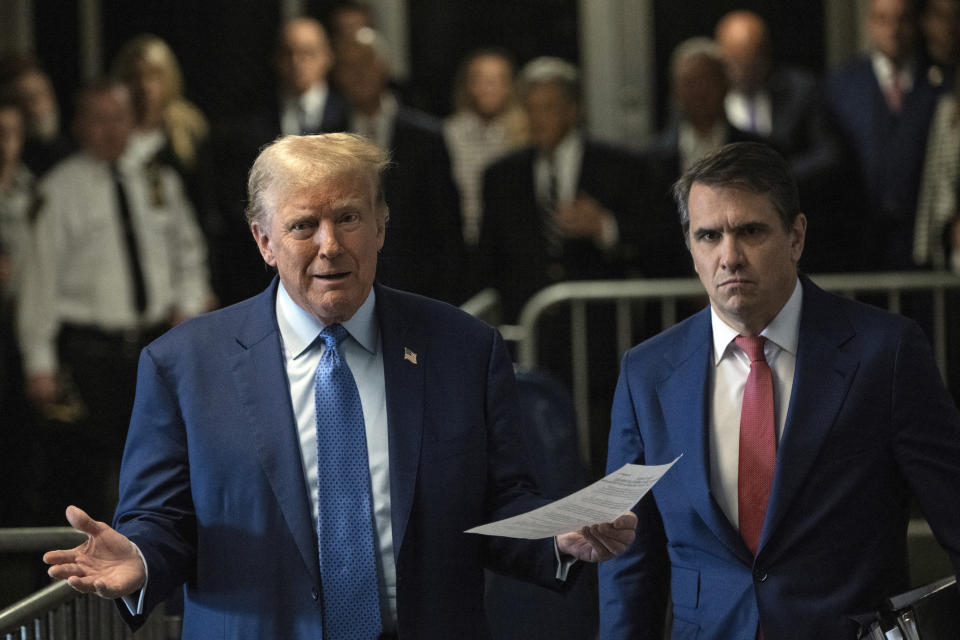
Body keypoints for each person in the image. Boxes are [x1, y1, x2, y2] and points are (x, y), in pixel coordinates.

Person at [42, 133, 637, 639]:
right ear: (264, 242)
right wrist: (141, 556)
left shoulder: (462, 348)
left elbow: (503, 501)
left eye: (348, 218)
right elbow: (161, 518)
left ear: (380, 226)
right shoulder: (183, 365)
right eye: (304, 225)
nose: (330, 245)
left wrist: (559, 533)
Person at [598, 141, 960, 638]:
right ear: (690, 247)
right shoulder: (647, 374)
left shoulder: (886, 353)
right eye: (708, 236)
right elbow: (628, 564)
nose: (729, 256)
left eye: (749, 230)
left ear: (796, 236)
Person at [16, 79, 212, 518]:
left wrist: (189, 305)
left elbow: (188, 251)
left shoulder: (156, 179)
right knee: (86, 473)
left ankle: (153, 570)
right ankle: (79, 581)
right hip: (90, 351)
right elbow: (38, 282)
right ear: (80, 125)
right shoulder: (59, 190)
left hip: (153, 344)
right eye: (99, 120)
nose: (111, 130)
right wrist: (40, 363)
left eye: (119, 119)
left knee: (162, 465)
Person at [209, 17, 349, 306]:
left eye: (308, 52)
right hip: (265, 274)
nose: (298, 62)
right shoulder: (246, 125)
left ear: (327, 57)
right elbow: (238, 198)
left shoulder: (350, 118)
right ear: (275, 59)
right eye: (289, 53)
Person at [333, 27, 465, 303]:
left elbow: (447, 225)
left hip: (416, 288)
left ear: (384, 66)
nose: (358, 73)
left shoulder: (426, 136)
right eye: (349, 65)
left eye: (366, 62)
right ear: (338, 75)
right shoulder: (325, 137)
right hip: (346, 289)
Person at [714, 11, 846, 272]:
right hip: (726, 238)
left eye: (751, 61)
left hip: (790, 236)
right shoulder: (706, 98)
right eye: (733, 63)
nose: (741, 72)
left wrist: (773, 179)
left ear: (765, 56)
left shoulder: (801, 91)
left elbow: (829, 154)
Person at [825, 0, 943, 270]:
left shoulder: (941, 83)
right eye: (883, 19)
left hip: (924, 244)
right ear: (869, 25)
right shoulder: (841, 85)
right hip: (859, 246)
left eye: (903, 20)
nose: (893, 29)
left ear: (916, 25)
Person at [109, 34, 210, 205]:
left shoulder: (188, 128)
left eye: (153, 75)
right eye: (135, 76)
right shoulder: (111, 131)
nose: (144, 86)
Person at [444, 47, 528, 250]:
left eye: (498, 80)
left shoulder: (527, 135)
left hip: (513, 242)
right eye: (481, 80)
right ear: (468, 86)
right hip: (463, 240)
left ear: (510, 86)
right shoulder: (449, 134)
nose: (489, 87)